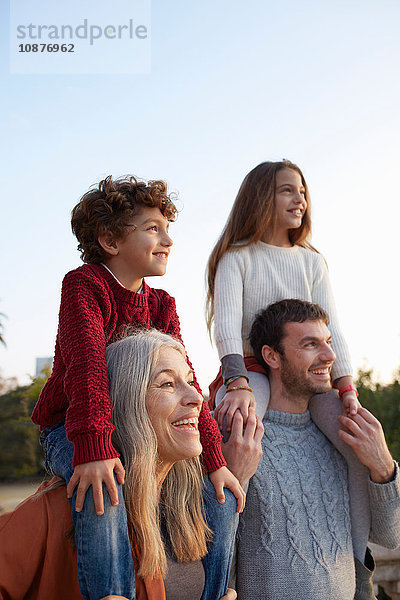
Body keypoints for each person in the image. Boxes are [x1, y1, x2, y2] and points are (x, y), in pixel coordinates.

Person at [31, 176, 244, 600]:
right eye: (152, 228)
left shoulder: (162, 304)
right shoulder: (83, 285)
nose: (167, 239)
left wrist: (215, 457)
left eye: (168, 228)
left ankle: (216, 593)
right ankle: (113, 594)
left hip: (141, 429)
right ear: (110, 239)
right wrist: (94, 448)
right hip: (72, 429)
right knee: (106, 485)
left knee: (218, 494)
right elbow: (87, 368)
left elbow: (187, 380)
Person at [1, 331, 254, 600]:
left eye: (190, 381)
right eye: (167, 383)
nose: (196, 397)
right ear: (124, 403)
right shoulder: (61, 510)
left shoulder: (202, 508)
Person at [206, 159, 369, 561]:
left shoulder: (312, 261)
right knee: (238, 430)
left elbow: (335, 330)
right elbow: (225, 325)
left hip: (312, 377)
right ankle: (220, 560)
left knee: (359, 444)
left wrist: (346, 389)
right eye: (287, 190)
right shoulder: (237, 256)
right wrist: (237, 383)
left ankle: (359, 559)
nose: (300, 199)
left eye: (302, 191)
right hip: (254, 369)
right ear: (262, 197)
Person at [233, 299, 400, 600]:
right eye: (311, 344)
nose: (329, 356)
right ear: (272, 356)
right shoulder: (242, 440)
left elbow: (391, 535)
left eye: (328, 342)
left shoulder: (344, 438)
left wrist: (383, 466)